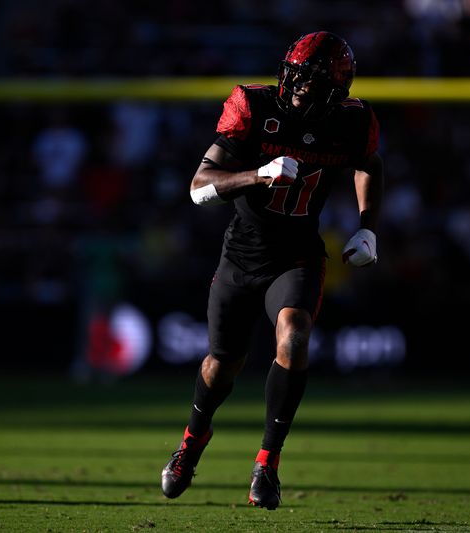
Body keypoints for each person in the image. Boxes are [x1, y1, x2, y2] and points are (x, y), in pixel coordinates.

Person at [160, 31, 383, 510]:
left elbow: (369, 164)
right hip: (242, 254)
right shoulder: (253, 106)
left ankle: (267, 463)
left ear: (335, 91)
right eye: (297, 77)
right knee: (222, 366)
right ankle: (192, 444)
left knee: (295, 336)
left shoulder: (352, 120)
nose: (299, 89)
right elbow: (200, 186)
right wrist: (257, 174)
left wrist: (368, 227)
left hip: (298, 254)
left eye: (312, 83)